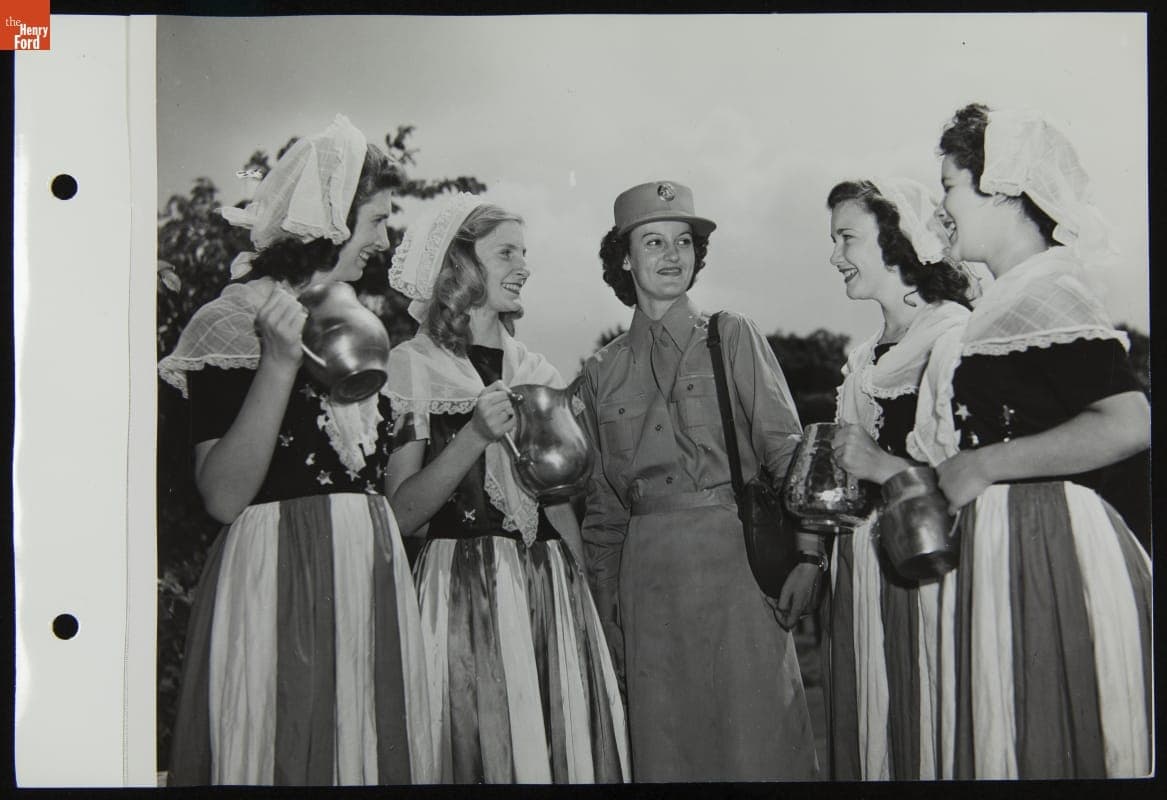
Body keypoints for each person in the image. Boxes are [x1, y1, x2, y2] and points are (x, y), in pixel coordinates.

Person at [158, 115, 434, 785]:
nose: (383, 236)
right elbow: (223, 496)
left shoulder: (366, 331)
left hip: (369, 576)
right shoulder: (232, 319)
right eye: (373, 219)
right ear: (331, 219)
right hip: (282, 575)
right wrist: (279, 363)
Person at [908, 104, 1151, 778]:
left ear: (1005, 192)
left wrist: (985, 463)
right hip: (1010, 545)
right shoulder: (1009, 299)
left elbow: (1128, 421)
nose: (940, 208)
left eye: (951, 186)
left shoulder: (1048, 292)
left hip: (1053, 548)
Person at [578, 180, 821, 781]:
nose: (671, 255)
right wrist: (605, 609)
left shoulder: (732, 335)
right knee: (668, 751)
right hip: (646, 579)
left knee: (759, 744)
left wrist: (810, 558)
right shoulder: (599, 373)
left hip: (734, 564)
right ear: (625, 259)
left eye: (683, 241)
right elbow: (604, 511)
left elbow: (787, 453)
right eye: (653, 241)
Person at [383, 193, 628, 784]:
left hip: (549, 588)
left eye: (525, 252)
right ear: (460, 265)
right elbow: (401, 514)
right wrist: (471, 436)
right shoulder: (409, 366)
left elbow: (557, 503)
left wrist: (585, 603)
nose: (524, 266)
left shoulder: (538, 373)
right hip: (462, 591)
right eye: (506, 252)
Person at [823, 177, 972, 780]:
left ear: (898, 239)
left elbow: (966, 474)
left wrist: (881, 467)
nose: (835, 256)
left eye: (847, 237)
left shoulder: (952, 337)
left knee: (932, 717)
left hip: (927, 570)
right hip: (863, 571)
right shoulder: (863, 359)